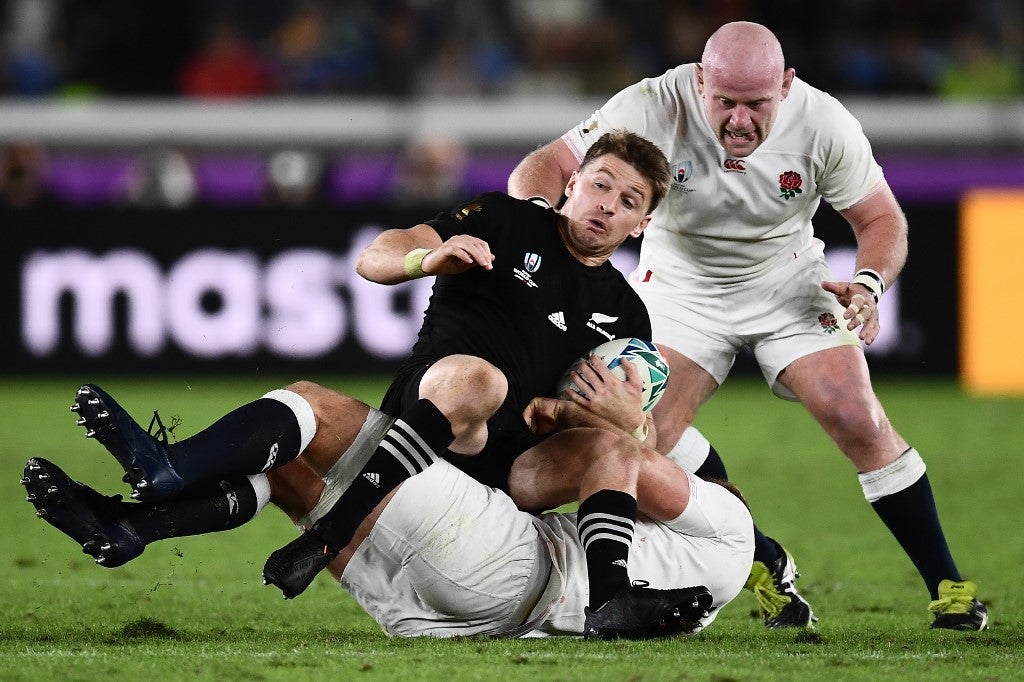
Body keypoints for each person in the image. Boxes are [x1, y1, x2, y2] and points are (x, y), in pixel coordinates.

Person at [45, 130, 726, 638]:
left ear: (644, 224)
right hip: (429, 434)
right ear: (572, 182)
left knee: (311, 411)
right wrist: (428, 258)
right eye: (601, 184)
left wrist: (612, 416)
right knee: (472, 382)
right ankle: (139, 514)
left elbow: (628, 437)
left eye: (629, 200)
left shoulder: (626, 313)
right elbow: (377, 253)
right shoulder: (504, 217)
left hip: (502, 484)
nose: (608, 205)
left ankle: (160, 494)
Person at [507, 21, 987, 631]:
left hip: (787, 278)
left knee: (856, 416)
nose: (739, 121)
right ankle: (762, 559)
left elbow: (880, 220)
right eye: (725, 102)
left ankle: (948, 586)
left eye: (756, 104)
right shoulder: (649, 106)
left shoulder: (824, 123)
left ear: (786, 87)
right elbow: (549, 165)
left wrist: (868, 283)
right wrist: (534, 235)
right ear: (699, 81)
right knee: (639, 437)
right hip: (679, 285)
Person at [23, 388, 754, 639]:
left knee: (315, 411)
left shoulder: (724, 518)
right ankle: (128, 527)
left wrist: (578, 415)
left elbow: (613, 457)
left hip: (498, 562)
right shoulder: (709, 579)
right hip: (446, 615)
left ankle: (167, 465)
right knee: (281, 469)